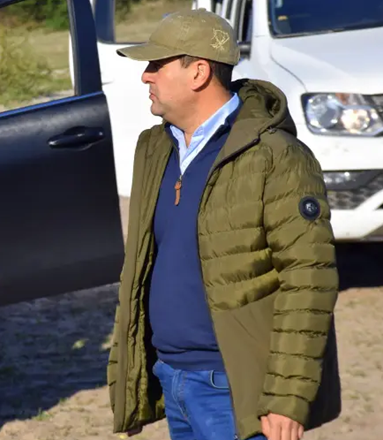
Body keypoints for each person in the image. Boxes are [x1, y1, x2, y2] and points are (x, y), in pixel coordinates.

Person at [106, 9, 340, 440]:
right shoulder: (155, 148)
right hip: (172, 377)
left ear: (198, 72)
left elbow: (309, 279)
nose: (145, 76)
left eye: (157, 64)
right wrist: (132, 380)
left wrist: (287, 397)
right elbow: (139, 267)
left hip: (234, 390)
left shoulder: (276, 156)